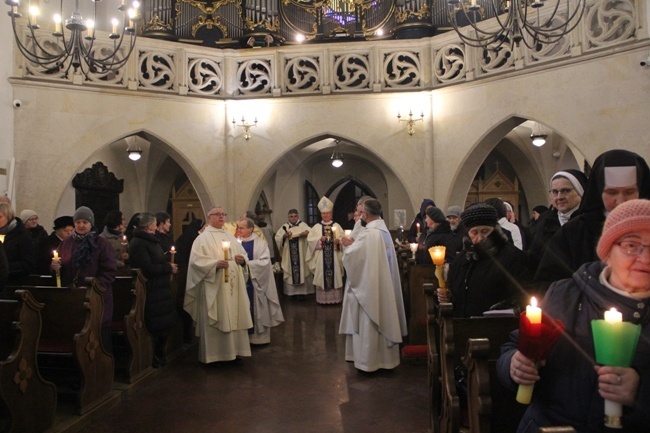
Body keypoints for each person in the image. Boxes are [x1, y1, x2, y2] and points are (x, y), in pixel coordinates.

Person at [497, 199, 650, 432]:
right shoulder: (565, 294)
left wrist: (639, 393)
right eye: (631, 245)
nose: (645, 258)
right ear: (607, 252)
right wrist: (513, 365)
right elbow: (514, 346)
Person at [535, 150, 650, 286]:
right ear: (599, 191)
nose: (620, 201)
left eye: (629, 192)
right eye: (611, 192)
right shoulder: (575, 232)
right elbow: (548, 284)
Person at [339, 198, 407, 372]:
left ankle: (369, 362)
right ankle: (386, 360)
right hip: (384, 285)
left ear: (366, 214)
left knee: (370, 319)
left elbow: (354, 257)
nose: (360, 215)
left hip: (370, 288)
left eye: (361, 213)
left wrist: (346, 247)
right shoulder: (383, 230)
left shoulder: (370, 233)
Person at [184, 206, 253, 364]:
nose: (222, 217)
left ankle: (235, 353)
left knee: (235, 316)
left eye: (223, 214)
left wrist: (242, 261)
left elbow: (243, 255)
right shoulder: (202, 239)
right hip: (214, 288)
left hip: (233, 289)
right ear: (210, 217)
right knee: (218, 317)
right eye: (218, 214)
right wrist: (214, 264)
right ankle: (215, 357)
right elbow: (196, 262)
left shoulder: (229, 236)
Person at [438, 203, 528, 317]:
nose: (480, 238)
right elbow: (454, 290)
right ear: (468, 234)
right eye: (474, 232)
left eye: (485, 231)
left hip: (496, 327)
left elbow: (521, 296)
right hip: (463, 326)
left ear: (495, 230)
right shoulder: (461, 259)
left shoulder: (513, 257)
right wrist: (448, 296)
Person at [51, 206, 117, 352]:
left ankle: (104, 368)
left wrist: (94, 286)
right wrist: (56, 268)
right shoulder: (66, 243)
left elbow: (110, 271)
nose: (81, 225)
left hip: (97, 297)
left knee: (100, 335)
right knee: (79, 335)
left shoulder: (102, 244)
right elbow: (62, 269)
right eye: (78, 222)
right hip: (75, 297)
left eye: (85, 222)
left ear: (91, 224)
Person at [128, 212, 178, 367]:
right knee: (155, 325)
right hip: (151, 289)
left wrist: (167, 262)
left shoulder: (151, 241)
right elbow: (147, 268)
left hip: (160, 289)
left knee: (163, 323)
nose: (156, 226)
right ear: (150, 225)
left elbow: (157, 260)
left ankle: (160, 353)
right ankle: (154, 356)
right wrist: (168, 267)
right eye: (155, 223)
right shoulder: (139, 243)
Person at [528, 169, 588, 278]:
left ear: (581, 191)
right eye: (555, 192)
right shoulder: (544, 224)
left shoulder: (590, 223)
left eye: (565, 191)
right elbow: (534, 261)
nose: (559, 197)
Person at [238, 218, 284, 344]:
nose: (239, 230)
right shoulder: (236, 243)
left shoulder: (260, 243)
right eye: (239, 227)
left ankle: (259, 339)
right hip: (240, 284)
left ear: (250, 229)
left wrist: (246, 264)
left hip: (256, 283)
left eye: (242, 228)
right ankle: (243, 340)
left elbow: (265, 262)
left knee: (257, 309)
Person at [307, 196, 344, 304]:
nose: (325, 215)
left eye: (327, 213)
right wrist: (319, 239)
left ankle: (335, 299)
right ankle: (322, 300)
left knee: (335, 274)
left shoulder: (337, 226)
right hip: (321, 256)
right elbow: (310, 240)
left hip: (334, 256)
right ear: (321, 214)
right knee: (322, 275)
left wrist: (339, 241)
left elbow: (343, 238)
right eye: (323, 213)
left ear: (331, 214)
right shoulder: (316, 227)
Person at [174, 218, 204, 343]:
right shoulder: (196, 240)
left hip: (181, 273)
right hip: (186, 274)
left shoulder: (183, 238)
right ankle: (188, 333)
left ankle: (187, 333)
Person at [274, 209, 313, 298]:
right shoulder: (285, 227)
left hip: (302, 254)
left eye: (295, 216)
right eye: (291, 216)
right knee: (291, 270)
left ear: (298, 216)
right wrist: (284, 236)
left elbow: (312, 234)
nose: (293, 218)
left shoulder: (303, 225)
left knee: (303, 270)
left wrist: (307, 234)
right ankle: (291, 293)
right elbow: (277, 238)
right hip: (289, 255)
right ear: (288, 217)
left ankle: (304, 293)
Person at [0, 202, 35, 285]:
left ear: (8, 216)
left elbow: (28, 263)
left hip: (15, 282)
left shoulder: (21, 234)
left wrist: (4, 266)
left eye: (0, 217)